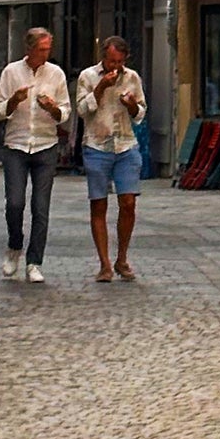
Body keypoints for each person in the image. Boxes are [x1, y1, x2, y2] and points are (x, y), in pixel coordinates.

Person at [0, 25, 68, 281]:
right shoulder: (11, 72)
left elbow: (65, 113)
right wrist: (14, 101)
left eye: (48, 49)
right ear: (29, 49)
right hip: (16, 144)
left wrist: (53, 108)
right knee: (15, 203)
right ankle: (14, 245)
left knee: (41, 207)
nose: (45, 54)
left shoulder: (56, 74)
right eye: (41, 50)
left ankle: (34, 262)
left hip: (46, 145)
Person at [76, 35, 146, 281]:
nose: (115, 66)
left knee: (128, 202)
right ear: (103, 57)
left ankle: (122, 258)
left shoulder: (132, 78)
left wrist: (132, 105)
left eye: (119, 62)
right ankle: (104, 264)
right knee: (99, 204)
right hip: (96, 145)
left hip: (126, 145)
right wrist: (101, 88)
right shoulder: (87, 76)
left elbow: (140, 113)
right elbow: (82, 110)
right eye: (111, 61)